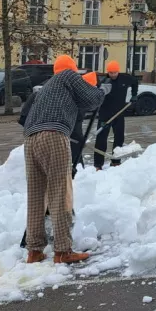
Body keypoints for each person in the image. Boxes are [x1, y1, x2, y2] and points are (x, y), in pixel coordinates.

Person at [23, 55, 106, 264]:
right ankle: (62, 251)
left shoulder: (48, 87)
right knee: (60, 192)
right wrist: (100, 90)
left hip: (31, 139)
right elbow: (92, 99)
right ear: (72, 69)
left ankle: (34, 250)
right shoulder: (68, 76)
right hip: (54, 135)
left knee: (36, 195)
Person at [94, 60, 139, 169]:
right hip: (105, 115)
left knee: (119, 138)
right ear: (108, 72)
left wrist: (134, 95)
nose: (113, 75)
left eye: (115, 72)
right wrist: (101, 118)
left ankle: (115, 161)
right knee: (101, 139)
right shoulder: (104, 82)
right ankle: (98, 164)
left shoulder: (125, 78)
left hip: (119, 113)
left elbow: (135, 82)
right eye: (111, 73)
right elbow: (97, 97)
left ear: (118, 71)